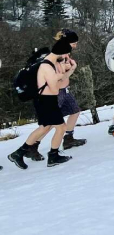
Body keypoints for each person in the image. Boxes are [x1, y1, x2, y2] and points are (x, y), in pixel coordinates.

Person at [8, 39, 75, 169]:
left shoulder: (49, 64)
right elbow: (56, 88)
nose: (66, 57)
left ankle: (19, 153)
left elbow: (62, 83)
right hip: (46, 101)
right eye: (66, 54)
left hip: (44, 100)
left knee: (44, 127)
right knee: (61, 128)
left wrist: (69, 70)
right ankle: (53, 156)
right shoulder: (47, 66)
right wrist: (61, 73)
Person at [52, 29, 87, 150]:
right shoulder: (58, 54)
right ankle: (31, 146)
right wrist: (70, 68)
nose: (75, 46)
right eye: (74, 43)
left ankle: (68, 138)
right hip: (57, 91)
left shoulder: (65, 53)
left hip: (64, 89)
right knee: (50, 122)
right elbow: (58, 75)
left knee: (75, 110)